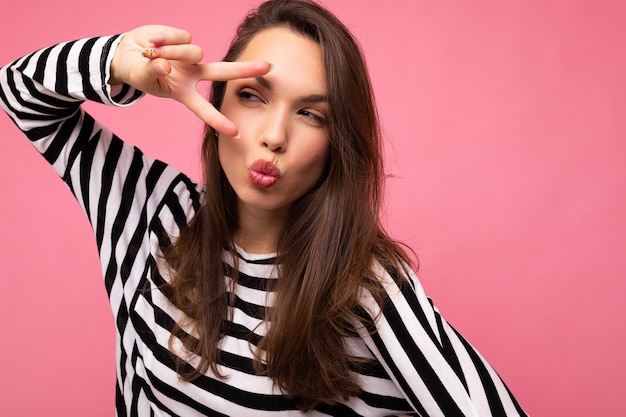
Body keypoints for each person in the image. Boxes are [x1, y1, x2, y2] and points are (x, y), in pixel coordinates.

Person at [0, 0, 528, 415]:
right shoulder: (150, 212)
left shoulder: (363, 287)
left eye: (311, 115)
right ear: (216, 100)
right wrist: (118, 61)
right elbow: (20, 92)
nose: (274, 136)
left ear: (337, 144)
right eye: (253, 96)